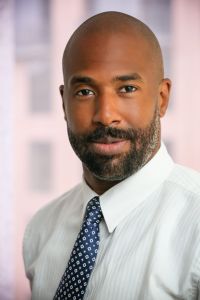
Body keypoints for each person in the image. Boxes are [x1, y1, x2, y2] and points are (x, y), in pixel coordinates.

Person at [23, 11, 200, 300]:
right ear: (64, 103)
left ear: (162, 99)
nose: (105, 116)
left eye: (127, 89)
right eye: (84, 92)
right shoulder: (41, 229)